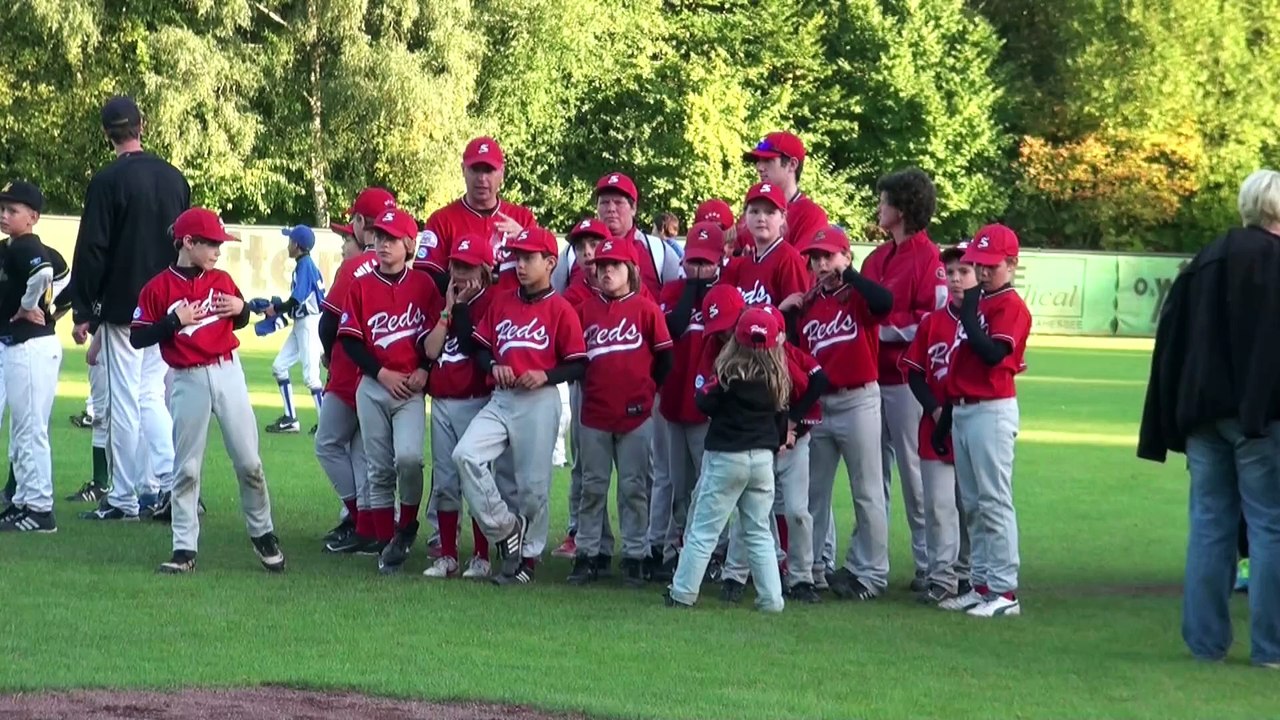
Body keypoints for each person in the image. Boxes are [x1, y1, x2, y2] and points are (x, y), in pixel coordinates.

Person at [1139, 169, 1280, 667]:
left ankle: (1205, 644)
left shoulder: (1205, 259)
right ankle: (1271, 649)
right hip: (1261, 417)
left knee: (1209, 525)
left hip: (1202, 416)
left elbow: (1171, 343)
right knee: (1269, 527)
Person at [130, 207, 283, 573]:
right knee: (187, 468)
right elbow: (138, 336)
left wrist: (241, 308)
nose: (218, 250)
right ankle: (184, 547)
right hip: (186, 378)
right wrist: (173, 320)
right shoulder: (158, 288)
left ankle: (263, 532)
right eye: (211, 244)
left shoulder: (223, 279)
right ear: (187, 243)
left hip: (228, 371)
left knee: (250, 462)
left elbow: (241, 318)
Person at [72, 95, 187, 522]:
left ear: (108, 134)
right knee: (149, 396)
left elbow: (94, 249)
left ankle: (125, 496)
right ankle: (166, 482)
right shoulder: (173, 177)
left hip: (125, 306)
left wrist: (85, 308)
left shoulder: (107, 181)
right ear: (143, 124)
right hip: (170, 303)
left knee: (125, 400)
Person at [454, 227, 587, 586]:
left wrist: (546, 375)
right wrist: (491, 365)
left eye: (529, 258)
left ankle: (528, 559)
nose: (521, 264)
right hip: (502, 397)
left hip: (539, 401)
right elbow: (478, 347)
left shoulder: (561, 309)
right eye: (518, 257)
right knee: (465, 454)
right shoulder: (503, 301)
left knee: (532, 487)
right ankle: (505, 526)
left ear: (550, 262)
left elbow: (578, 362)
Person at [790, 226, 894, 600]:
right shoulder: (810, 302)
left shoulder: (858, 295)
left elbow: (885, 303)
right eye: (816, 258)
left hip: (859, 400)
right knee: (812, 492)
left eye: (829, 255)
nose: (821, 263)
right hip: (821, 404)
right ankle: (812, 568)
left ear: (847, 256)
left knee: (866, 492)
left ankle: (870, 574)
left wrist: (849, 274)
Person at [338, 207, 443, 574]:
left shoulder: (424, 285)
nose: (383, 244)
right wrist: (380, 373)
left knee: (410, 459)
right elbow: (350, 342)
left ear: (409, 244)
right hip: (374, 384)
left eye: (392, 239)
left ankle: (408, 525)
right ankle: (387, 547)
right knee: (379, 469)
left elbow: (435, 340)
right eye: (380, 237)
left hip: (410, 390)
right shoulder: (362, 285)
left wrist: (424, 369)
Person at [665, 308, 790, 612]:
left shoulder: (726, 376)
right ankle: (772, 600)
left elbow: (702, 401)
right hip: (762, 461)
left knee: (704, 530)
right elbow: (781, 428)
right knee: (759, 531)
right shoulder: (778, 381)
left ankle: (682, 593)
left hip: (727, 458)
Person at [937, 224, 1031, 618]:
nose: (983, 270)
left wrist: (972, 308)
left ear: (1011, 264)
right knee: (972, 503)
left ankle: (1005, 592)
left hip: (991, 409)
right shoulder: (979, 303)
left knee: (993, 501)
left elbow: (993, 354)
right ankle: (980, 584)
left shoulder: (1010, 306)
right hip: (964, 407)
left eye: (991, 264)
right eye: (980, 263)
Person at [860, 167, 948, 591]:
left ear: (903, 208)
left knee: (915, 477)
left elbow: (929, 321)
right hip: (869, 380)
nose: (879, 207)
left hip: (906, 381)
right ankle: (867, 565)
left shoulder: (930, 258)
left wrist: (885, 328)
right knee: (872, 479)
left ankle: (930, 567)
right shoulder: (875, 259)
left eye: (884, 200)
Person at [568, 238, 673, 586]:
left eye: (615, 265)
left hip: (636, 414)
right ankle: (588, 553)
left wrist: (646, 390)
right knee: (592, 487)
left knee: (634, 488)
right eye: (602, 265)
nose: (607, 270)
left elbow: (665, 359)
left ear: (631, 270)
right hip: (595, 413)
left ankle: (634, 555)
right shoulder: (584, 310)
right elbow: (574, 360)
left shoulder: (646, 309)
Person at [419, 234, 500, 579]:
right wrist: (447, 311)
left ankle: (482, 555)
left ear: (484, 270)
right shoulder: (443, 300)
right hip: (442, 402)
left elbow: (470, 345)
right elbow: (431, 351)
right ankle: (448, 554)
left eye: (468, 267)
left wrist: (462, 307)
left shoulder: (492, 303)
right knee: (446, 481)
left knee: (476, 479)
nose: (460, 273)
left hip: (476, 400)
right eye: (456, 265)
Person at [900, 242, 976, 605]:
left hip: (974, 420)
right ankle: (942, 578)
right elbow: (914, 373)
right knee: (939, 505)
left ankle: (971, 575)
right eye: (952, 272)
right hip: (935, 426)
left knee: (972, 504)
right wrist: (932, 410)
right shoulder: (932, 322)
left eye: (965, 271)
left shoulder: (987, 320)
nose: (957, 278)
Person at [318, 188, 393, 553]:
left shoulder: (354, 266)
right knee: (365, 452)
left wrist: (328, 357)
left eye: (349, 230)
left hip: (351, 369)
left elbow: (327, 324)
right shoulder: (401, 261)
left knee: (328, 443)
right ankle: (373, 524)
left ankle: (362, 521)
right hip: (388, 372)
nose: (347, 238)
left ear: (362, 224)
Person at [655, 223, 730, 580]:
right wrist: (693, 289)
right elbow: (673, 326)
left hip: (709, 408)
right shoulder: (672, 291)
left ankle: (715, 553)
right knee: (678, 484)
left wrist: (707, 290)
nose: (699, 269)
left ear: (721, 261)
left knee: (710, 485)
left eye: (707, 263)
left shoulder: (728, 295)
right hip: (674, 400)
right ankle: (676, 548)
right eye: (693, 261)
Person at [0, 181, 65, 533]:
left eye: (13, 210)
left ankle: (40, 509)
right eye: (2, 209)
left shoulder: (27, 245)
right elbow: (63, 271)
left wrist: (30, 306)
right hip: (20, 346)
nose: (5, 215)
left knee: (30, 429)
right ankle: (24, 500)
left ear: (33, 217)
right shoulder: (11, 247)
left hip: (30, 346)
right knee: (23, 428)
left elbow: (44, 272)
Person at [551, 218, 613, 561]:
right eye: (581, 247)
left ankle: (642, 543)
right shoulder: (573, 294)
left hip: (629, 391)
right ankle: (582, 533)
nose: (588, 253)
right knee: (585, 466)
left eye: (594, 245)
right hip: (586, 387)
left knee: (638, 474)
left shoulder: (626, 283)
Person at [413, 136, 536, 293]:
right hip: (460, 311)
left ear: (502, 172)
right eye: (475, 169)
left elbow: (543, 273)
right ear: (463, 170)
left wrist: (525, 240)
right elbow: (426, 276)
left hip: (513, 314)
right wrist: (467, 276)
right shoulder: (441, 220)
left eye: (488, 170)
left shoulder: (522, 218)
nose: (482, 178)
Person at [555, 173, 681, 299]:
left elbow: (676, 304)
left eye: (618, 202)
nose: (611, 208)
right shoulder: (572, 252)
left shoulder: (658, 251)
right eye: (604, 203)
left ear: (633, 208)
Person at [263, 225, 326, 435]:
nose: (288, 244)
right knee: (279, 366)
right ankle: (291, 419)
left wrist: (276, 309)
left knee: (311, 377)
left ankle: (327, 427)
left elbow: (297, 299)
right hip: (303, 322)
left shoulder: (305, 265)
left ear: (297, 245)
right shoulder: (304, 264)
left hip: (310, 323)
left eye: (290, 241)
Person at [742, 131, 829, 248]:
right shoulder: (754, 208)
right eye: (758, 161)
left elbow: (797, 265)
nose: (759, 167)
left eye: (768, 161)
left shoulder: (811, 215)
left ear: (792, 164)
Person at [733, 182, 810, 308]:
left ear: (783, 217)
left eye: (770, 212)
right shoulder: (744, 263)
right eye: (754, 211)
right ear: (745, 216)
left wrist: (780, 311)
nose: (761, 218)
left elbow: (798, 315)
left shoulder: (789, 259)